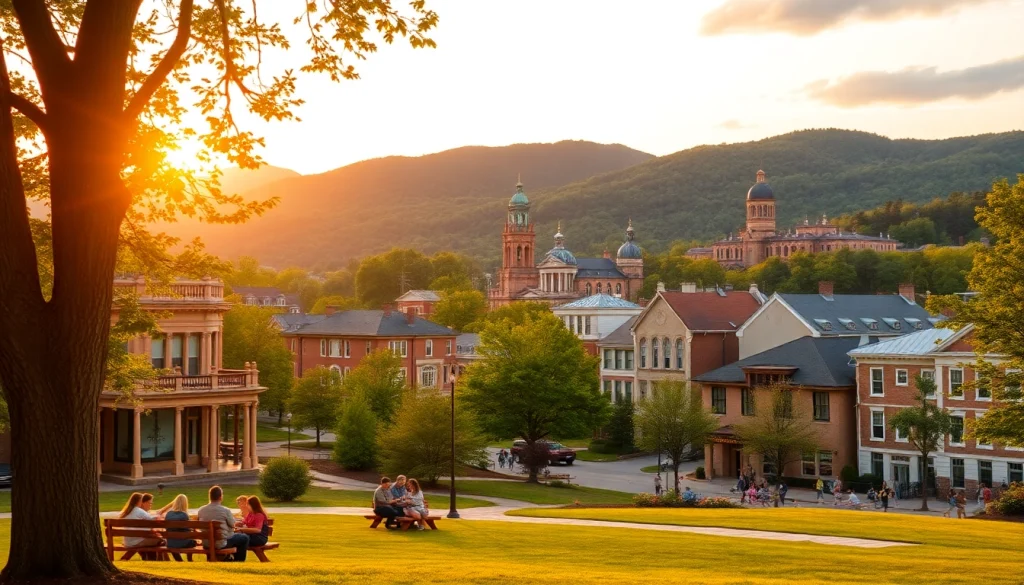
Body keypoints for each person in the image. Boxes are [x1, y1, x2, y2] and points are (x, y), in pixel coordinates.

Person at [198, 485, 249, 562]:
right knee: (244, 538)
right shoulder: (225, 510)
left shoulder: (201, 510)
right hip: (221, 544)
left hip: (206, 544)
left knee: (234, 537)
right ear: (220, 497)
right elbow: (232, 524)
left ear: (210, 497)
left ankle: (227, 559)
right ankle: (238, 562)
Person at [164, 494, 196, 561]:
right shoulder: (184, 515)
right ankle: (189, 559)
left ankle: (179, 560)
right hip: (183, 543)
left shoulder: (168, 514)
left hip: (170, 543)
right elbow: (188, 531)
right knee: (192, 541)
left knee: (174, 543)